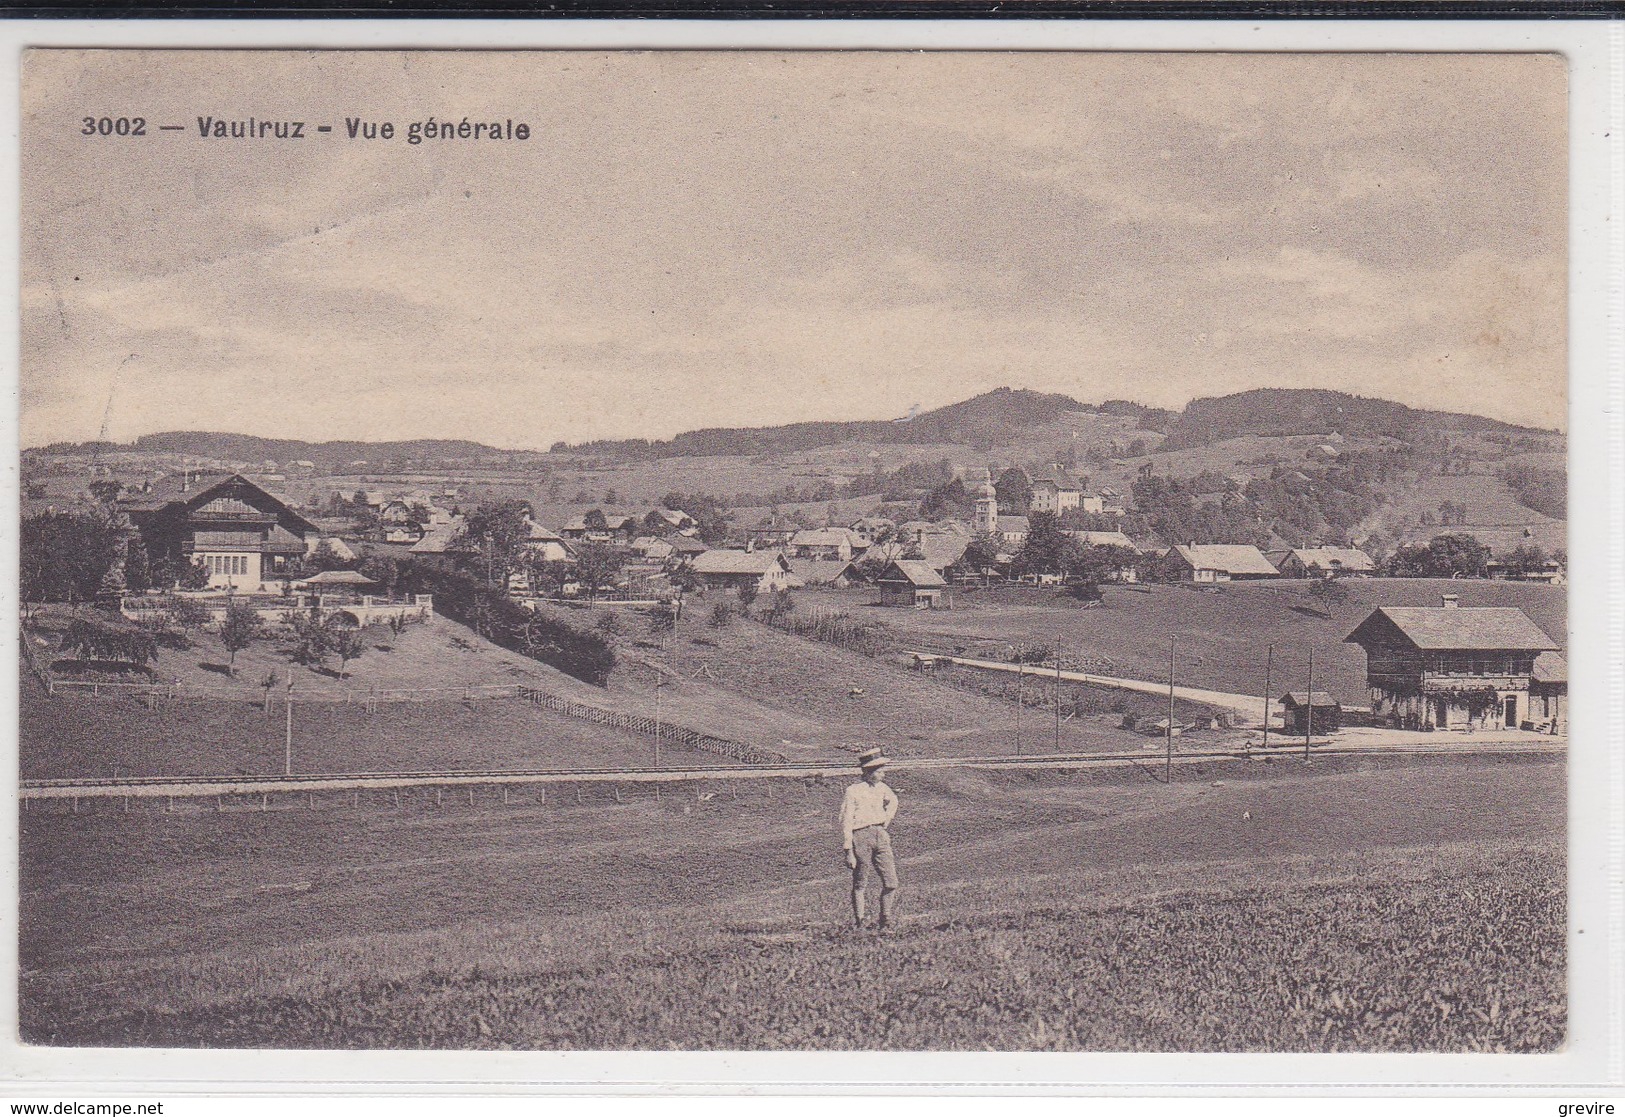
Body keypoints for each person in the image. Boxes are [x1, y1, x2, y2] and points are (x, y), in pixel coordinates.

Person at [840, 747, 899, 933]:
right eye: (879, 770)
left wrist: (886, 821)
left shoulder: (883, 788)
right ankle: (861, 922)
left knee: (891, 882)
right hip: (860, 837)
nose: (883, 773)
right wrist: (848, 850)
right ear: (868, 772)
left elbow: (894, 802)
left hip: (880, 835)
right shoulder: (853, 791)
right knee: (860, 882)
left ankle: (885, 920)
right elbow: (846, 820)